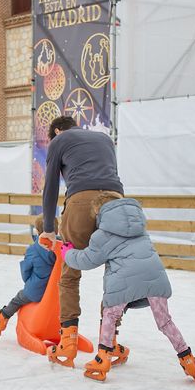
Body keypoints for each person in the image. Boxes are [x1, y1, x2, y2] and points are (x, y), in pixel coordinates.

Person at [62, 195, 195, 384]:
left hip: (124, 282)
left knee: (110, 315)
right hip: (155, 278)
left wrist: (67, 252)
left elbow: (87, 260)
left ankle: (102, 359)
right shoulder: (140, 228)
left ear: (100, 212)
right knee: (165, 322)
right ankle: (188, 358)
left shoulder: (102, 235)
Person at [38, 116, 125, 368]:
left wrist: (48, 229)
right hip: (115, 201)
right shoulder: (105, 139)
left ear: (56, 130)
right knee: (115, 273)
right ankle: (110, 342)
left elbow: (51, 187)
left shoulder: (60, 140)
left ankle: (68, 342)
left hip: (80, 202)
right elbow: (111, 177)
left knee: (69, 272)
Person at [0, 216, 56, 336]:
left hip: (36, 291)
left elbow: (25, 272)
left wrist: (29, 283)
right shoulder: (60, 248)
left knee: (18, 299)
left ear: (37, 231)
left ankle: (2, 318)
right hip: (55, 292)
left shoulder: (33, 249)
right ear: (57, 230)